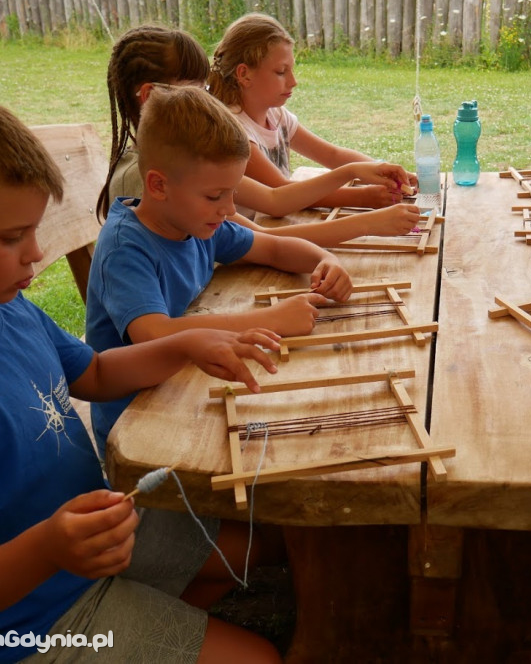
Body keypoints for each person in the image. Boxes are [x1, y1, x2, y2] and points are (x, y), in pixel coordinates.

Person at [0, 83, 283, 663]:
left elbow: (95, 373)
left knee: (262, 548)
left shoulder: (6, 309)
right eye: (11, 237)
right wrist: (49, 548)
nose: (34, 253)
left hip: (96, 537)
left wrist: (189, 343)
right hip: (30, 619)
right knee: (260, 659)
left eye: (33, 230)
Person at [88, 83, 354, 448]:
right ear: (158, 185)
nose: (229, 209)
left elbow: (273, 249)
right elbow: (154, 335)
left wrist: (325, 260)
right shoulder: (125, 248)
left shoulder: (194, 220)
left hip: (185, 384)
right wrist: (269, 320)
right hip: (138, 420)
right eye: (216, 196)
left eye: (233, 193)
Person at [101, 24, 420, 238]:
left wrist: (360, 179)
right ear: (149, 97)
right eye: (194, 93)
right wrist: (365, 220)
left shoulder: (184, 160)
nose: (208, 103)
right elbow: (259, 234)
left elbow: (271, 202)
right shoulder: (148, 177)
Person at [208, 13, 414, 210]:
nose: (293, 81)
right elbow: (281, 192)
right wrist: (362, 196)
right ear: (244, 74)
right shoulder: (233, 131)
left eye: (292, 70)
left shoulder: (276, 115)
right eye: (281, 72)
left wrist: (385, 170)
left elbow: (332, 154)